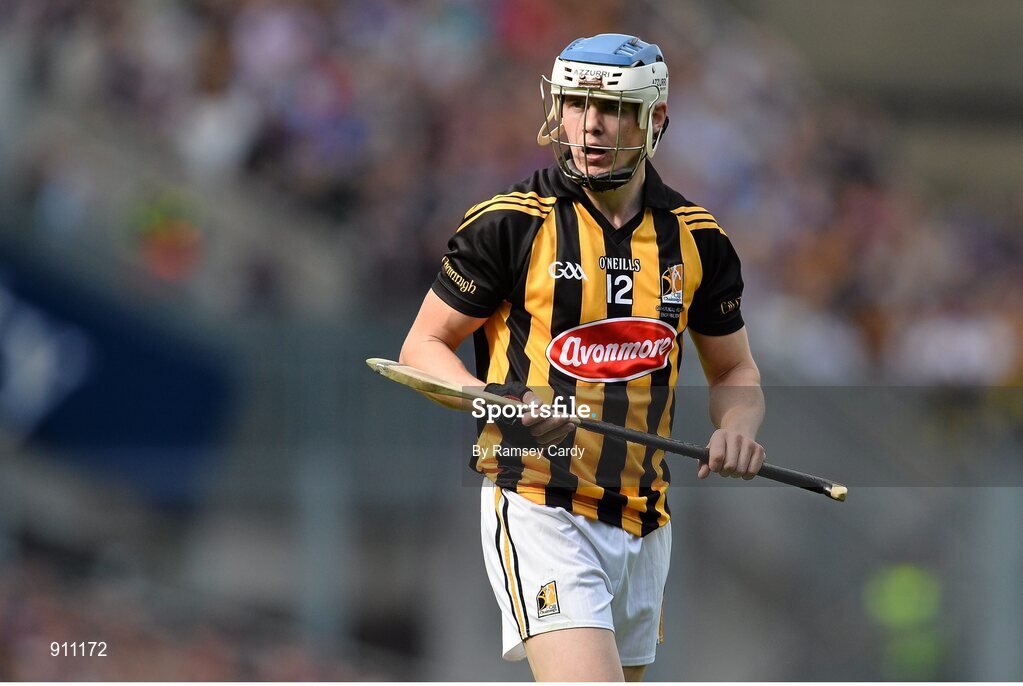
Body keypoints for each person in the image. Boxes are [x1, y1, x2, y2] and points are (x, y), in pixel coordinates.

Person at [400, 33, 765, 682]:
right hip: (540, 500)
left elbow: (734, 372)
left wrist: (736, 431)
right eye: (574, 103)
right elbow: (422, 347)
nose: (590, 124)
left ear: (655, 120)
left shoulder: (697, 240)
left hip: (643, 518)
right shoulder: (509, 223)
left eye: (613, 108)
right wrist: (494, 399)